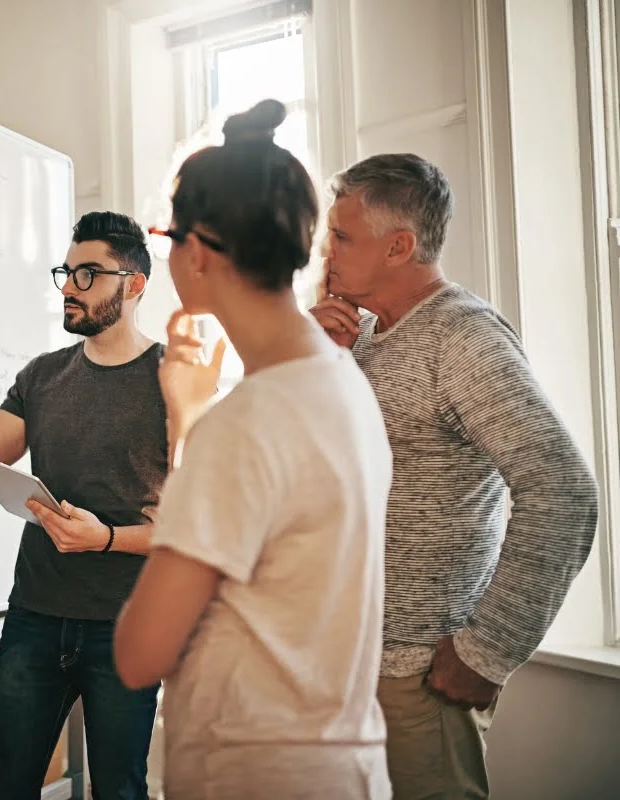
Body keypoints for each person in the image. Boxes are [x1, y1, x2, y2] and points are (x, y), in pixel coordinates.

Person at [113, 99, 394, 798]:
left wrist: (192, 425)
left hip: (255, 770)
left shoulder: (246, 424)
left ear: (199, 251)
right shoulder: (343, 383)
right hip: (343, 763)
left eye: (165, 237)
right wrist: (190, 414)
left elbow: (140, 654)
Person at [311, 152, 599, 798]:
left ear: (400, 246)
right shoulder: (354, 339)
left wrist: (487, 649)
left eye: (342, 237)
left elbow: (563, 492)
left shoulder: (462, 337)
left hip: (417, 679)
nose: (325, 251)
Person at [0, 211, 165, 799]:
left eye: (88, 274)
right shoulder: (42, 377)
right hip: (35, 618)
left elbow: (199, 526)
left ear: (134, 284)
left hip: (127, 625)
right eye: (67, 272)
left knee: (119, 790)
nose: (69, 286)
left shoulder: (175, 379)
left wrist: (109, 539)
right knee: (4, 786)